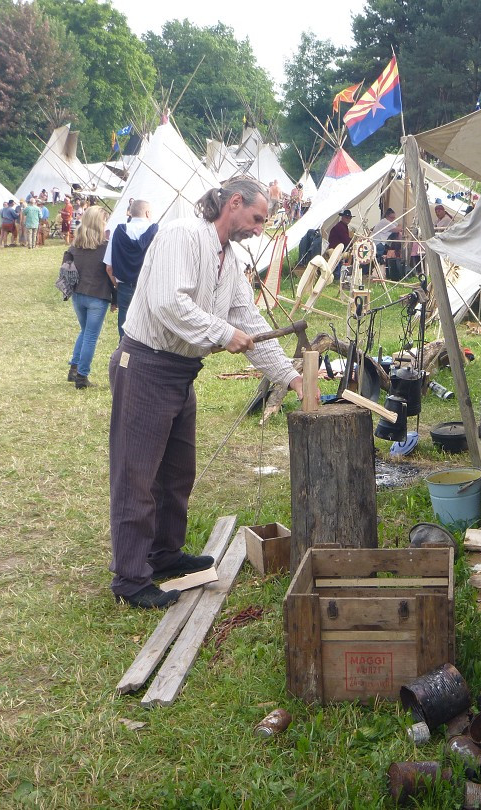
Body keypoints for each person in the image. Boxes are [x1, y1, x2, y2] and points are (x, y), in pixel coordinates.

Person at [107, 176, 304, 609]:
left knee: (177, 472)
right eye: (256, 218)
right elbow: (167, 303)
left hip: (180, 371)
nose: (259, 229)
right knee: (136, 476)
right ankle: (130, 578)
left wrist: (291, 377)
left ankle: (163, 554)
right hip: (144, 366)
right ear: (233, 202)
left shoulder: (229, 261)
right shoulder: (181, 235)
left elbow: (250, 321)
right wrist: (220, 331)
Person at [65, 206, 114, 389]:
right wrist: (115, 298)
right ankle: (82, 376)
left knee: (84, 331)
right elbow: (111, 273)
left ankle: (74, 367)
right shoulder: (105, 247)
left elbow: (66, 267)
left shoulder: (75, 245)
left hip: (78, 294)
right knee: (91, 336)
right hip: (97, 295)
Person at [103, 198, 157, 338]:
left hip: (125, 287)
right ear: (147, 213)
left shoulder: (119, 231)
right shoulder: (156, 232)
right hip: (148, 287)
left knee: (125, 330)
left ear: (130, 213)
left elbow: (109, 267)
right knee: (147, 331)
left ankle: (124, 358)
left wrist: (117, 285)